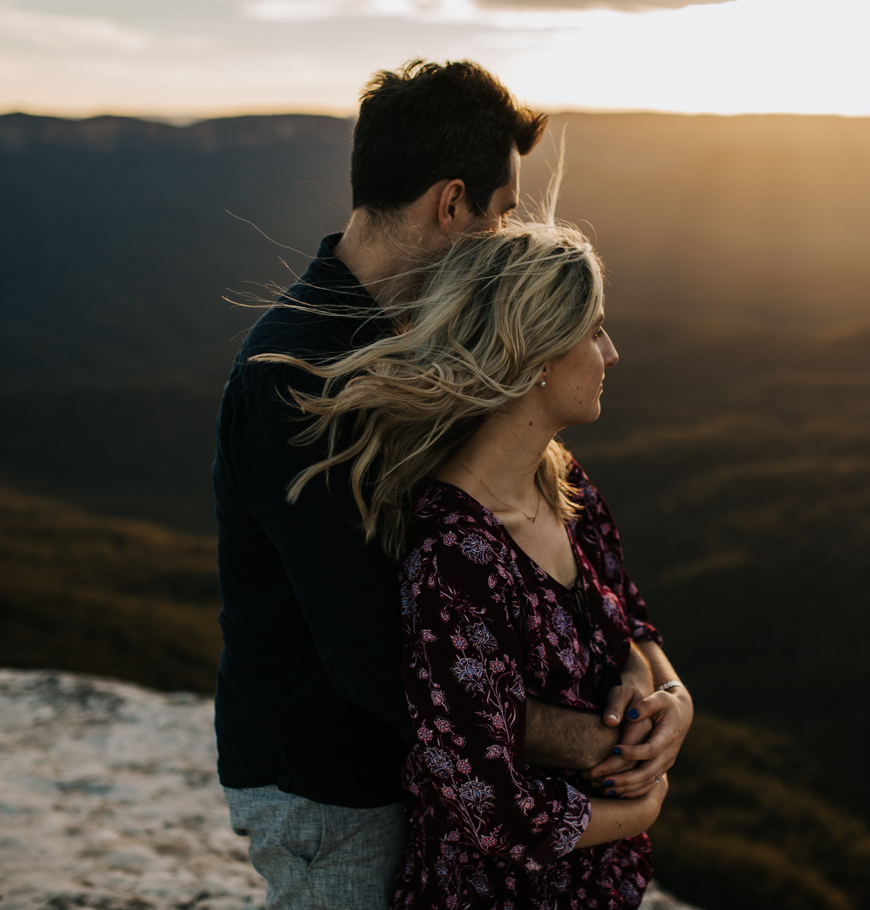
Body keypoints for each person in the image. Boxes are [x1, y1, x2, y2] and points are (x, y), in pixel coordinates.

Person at [213, 60, 691, 909]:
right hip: (336, 783)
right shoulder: (292, 379)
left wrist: (663, 693)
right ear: (449, 203)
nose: (507, 238)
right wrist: (603, 745)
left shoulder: (441, 340)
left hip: (425, 780)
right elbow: (376, 662)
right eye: (501, 212)